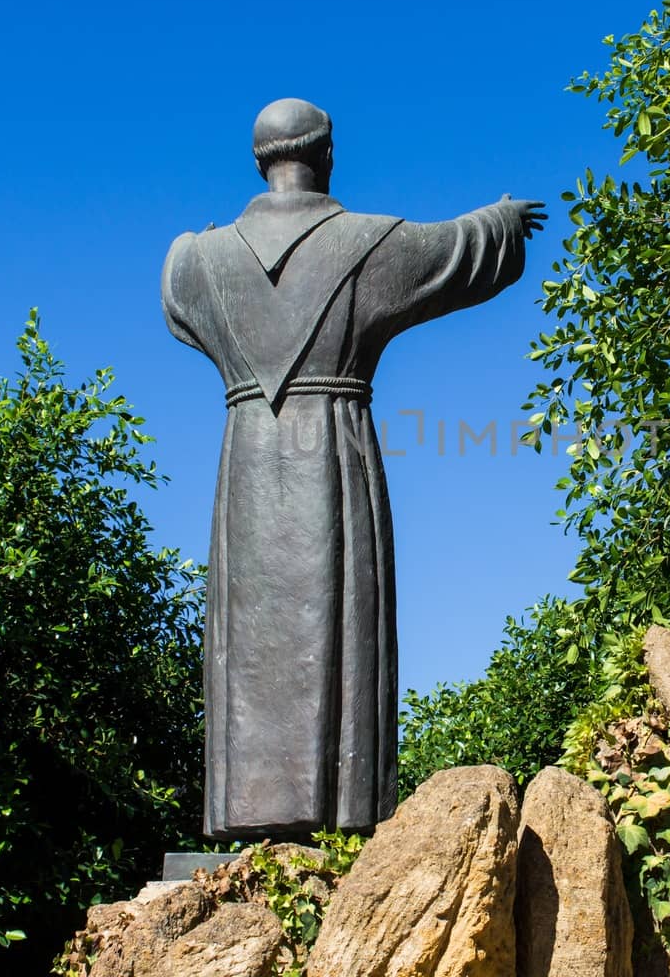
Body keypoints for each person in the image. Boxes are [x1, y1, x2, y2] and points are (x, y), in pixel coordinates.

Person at [161, 98, 545, 838]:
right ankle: (341, 814)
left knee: (247, 635)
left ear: (260, 160)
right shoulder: (369, 245)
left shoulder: (192, 262)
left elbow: (175, 303)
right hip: (334, 454)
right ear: (327, 156)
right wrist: (500, 219)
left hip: (246, 458)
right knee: (340, 626)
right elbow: (459, 249)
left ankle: (248, 814)